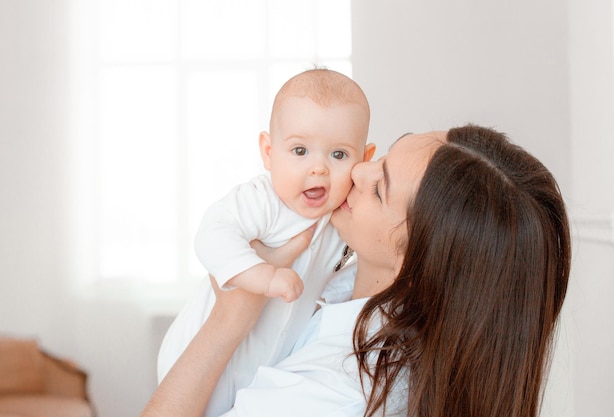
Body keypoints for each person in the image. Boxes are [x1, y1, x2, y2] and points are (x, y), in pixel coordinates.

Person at [143, 125, 570, 417]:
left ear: (417, 261)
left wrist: (228, 320)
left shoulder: (336, 394)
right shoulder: (340, 274)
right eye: (382, 155)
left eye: (379, 188)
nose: (357, 171)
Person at [157, 68, 375, 417]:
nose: (318, 168)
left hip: (261, 363)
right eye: (300, 150)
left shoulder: (340, 220)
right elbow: (213, 233)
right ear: (269, 152)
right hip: (198, 351)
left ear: (363, 160)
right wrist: (263, 276)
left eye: (338, 155)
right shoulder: (264, 200)